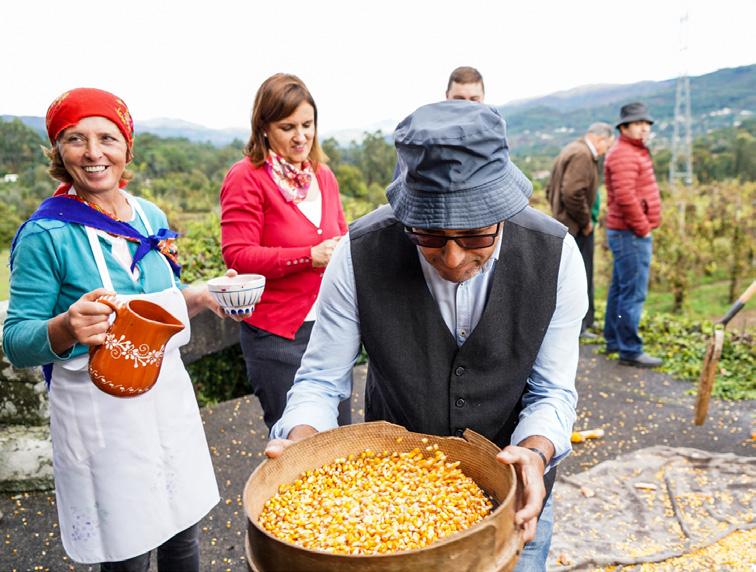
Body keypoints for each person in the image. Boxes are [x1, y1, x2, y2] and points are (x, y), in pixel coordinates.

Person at [266, 101, 587, 571]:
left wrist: (534, 455)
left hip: (512, 498)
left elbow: (552, 390)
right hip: (387, 505)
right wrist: (304, 443)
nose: (453, 258)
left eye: (476, 236)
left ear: (503, 210)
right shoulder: (359, 253)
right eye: (430, 236)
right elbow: (320, 381)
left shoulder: (556, 256)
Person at [3, 88, 243, 570]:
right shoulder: (45, 235)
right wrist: (66, 327)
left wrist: (201, 295)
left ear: (127, 147)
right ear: (58, 152)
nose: (94, 153)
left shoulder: (149, 216)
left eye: (107, 138)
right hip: (103, 422)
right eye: (76, 139)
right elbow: (16, 341)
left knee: (183, 538)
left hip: (166, 403)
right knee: (128, 554)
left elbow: (161, 305)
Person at [220, 73, 352, 430]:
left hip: (328, 331)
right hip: (277, 337)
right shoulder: (246, 177)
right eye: (287, 126)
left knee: (342, 442)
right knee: (297, 449)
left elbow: (340, 238)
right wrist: (308, 256)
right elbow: (238, 255)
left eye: (307, 124)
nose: (301, 136)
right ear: (263, 128)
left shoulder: (322, 175)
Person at [603, 102, 663, 368]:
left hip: (626, 231)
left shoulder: (631, 150)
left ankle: (615, 341)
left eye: (646, 123)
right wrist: (643, 227)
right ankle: (630, 349)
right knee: (633, 292)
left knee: (620, 288)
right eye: (638, 123)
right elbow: (626, 197)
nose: (644, 128)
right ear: (624, 127)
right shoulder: (624, 153)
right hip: (630, 233)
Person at [546, 122, 614, 337]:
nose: (606, 150)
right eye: (607, 145)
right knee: (580, 275)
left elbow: (551, 189)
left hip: (565, 222)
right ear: (599, 139)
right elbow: (573, 192)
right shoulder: (583, 154)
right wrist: (585, 221)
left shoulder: (571, 149)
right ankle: (581, 325)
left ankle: (582, 323)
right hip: (576, 226)